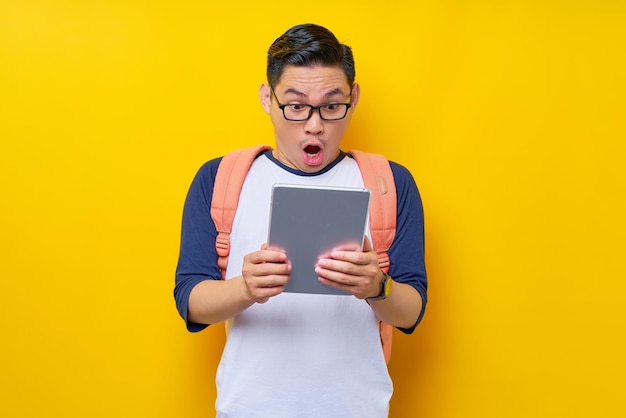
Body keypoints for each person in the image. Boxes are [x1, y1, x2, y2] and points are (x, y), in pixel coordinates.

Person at [174, 23, 427, 418]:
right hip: (249, 408)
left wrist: (375, 286)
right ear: (267, 98)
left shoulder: (390, 183)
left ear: (353, 97)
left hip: (357, 409)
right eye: (295, 106)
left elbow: (412, 310)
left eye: (331, 105)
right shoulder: (221, 179)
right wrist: (246, 289)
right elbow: (189, 300)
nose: (314, 125)